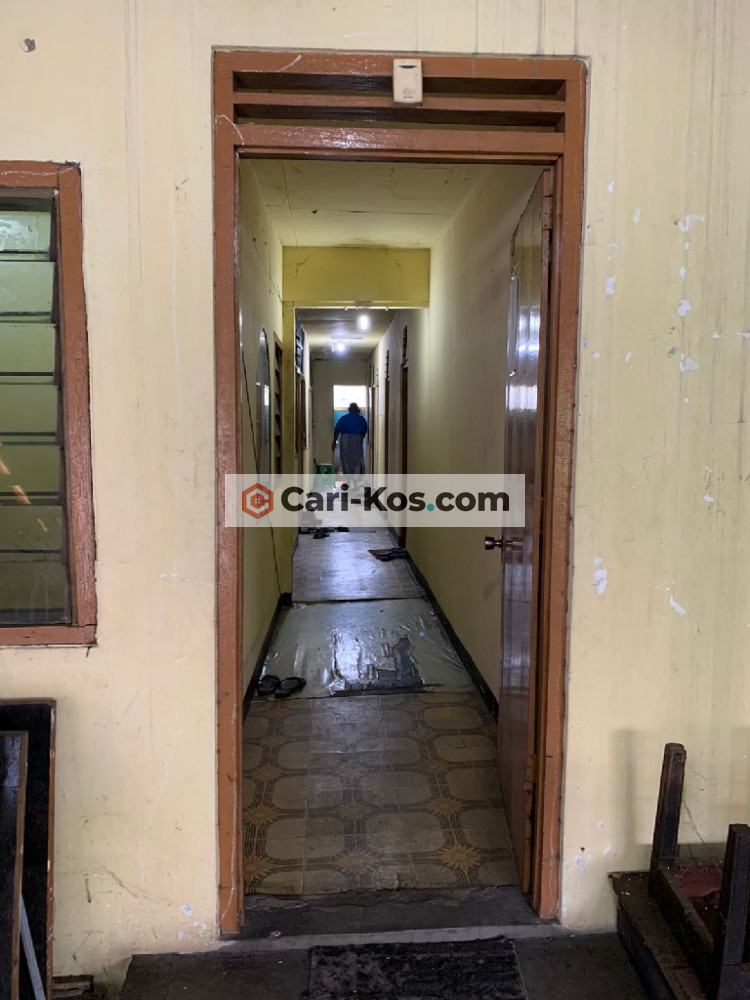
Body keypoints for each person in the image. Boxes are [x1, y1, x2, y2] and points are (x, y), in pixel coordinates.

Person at [332, 402, 368, 474]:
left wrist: (334, 442)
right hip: (357, 441)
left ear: (349, 410)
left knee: (345, 459)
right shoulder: (362, 420)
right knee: (357, 460)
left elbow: (337, 430)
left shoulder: (343, 418)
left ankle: (348, 476)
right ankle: (356, 477)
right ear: (357, 410)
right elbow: (364, 433)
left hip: (345, 440)